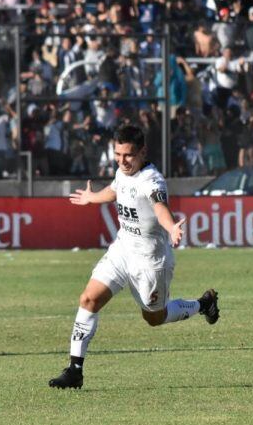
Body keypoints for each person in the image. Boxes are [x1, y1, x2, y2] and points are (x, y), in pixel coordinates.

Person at [49, 124, 220, 389]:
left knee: (154, 318)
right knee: (88, 298)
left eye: (128, 155)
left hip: (150, 261)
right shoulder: (123, 171)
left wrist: (171, 226)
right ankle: (75, 370)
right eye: (118, 154)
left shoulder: (152, 180)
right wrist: (93, 197)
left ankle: (203, 304)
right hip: (122, 250)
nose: (122, 160)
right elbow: (116, 189)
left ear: (142, 151)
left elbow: (160, 208)